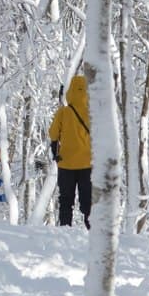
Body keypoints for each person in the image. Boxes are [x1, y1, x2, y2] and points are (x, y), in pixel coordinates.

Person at [48, 75, 92, 228]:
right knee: (88, 200)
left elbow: (53, 133)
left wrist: (55, 150)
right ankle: (90, 230)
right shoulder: (91, 112)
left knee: (66, 200)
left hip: (66, 163)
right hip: (87, 164)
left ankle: (65, 229)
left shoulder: (63, 112)